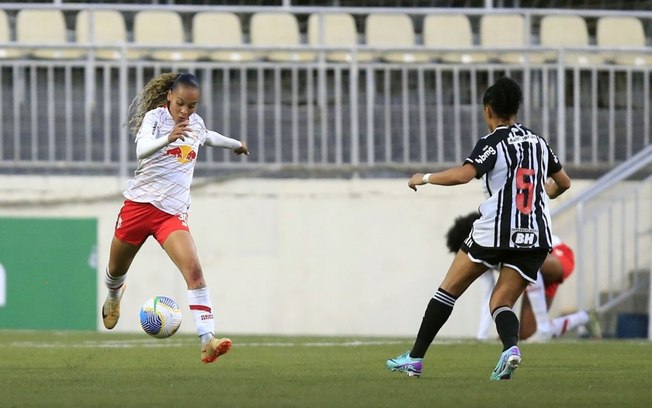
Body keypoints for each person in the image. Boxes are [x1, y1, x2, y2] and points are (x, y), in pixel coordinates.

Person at [386, 77, 571, 380]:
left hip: (495, 231)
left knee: (448, 290)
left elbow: (464, 175)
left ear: (488, 110)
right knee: (501, 302)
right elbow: (563, 182)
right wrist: (546, 192)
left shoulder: (493, 143)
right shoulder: (539, 142)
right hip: (535, 236)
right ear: (515, 109)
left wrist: (425, 177)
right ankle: (510, 349)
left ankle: (415, 358)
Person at [101, 72, 249, 364]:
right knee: (115, 270)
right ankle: (114, 298)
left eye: (191, 106)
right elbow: (141, 149)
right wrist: (166, 138)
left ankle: (208, 340)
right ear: (169, 96)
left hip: (171, 215)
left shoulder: (195, 124)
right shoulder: (155, 119)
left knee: (194, 271)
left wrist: (235, 145)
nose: (185, 111)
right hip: (138, 207)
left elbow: (207, 137)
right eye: (180, 103)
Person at [445, 212, 601, 342]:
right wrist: (482, 336)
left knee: (528, 261)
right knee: (526, 336)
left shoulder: (499, 237)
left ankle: (543, 327)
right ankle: (585, 318)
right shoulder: (481, 259)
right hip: (535, 279)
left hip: (556, 256)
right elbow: (488, 296)